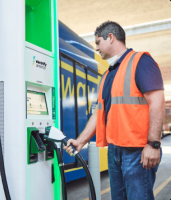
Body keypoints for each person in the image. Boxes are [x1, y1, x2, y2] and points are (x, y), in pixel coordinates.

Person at [64, 21, 165, 200]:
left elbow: (157, 103)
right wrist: (80, 141)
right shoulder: (108, 74)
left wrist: (153, 144)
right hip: (115, 150)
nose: (96, 48)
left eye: (97, 42)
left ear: (111, 37)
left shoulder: (140, 61)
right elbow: (99, 113)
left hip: (137, 150)